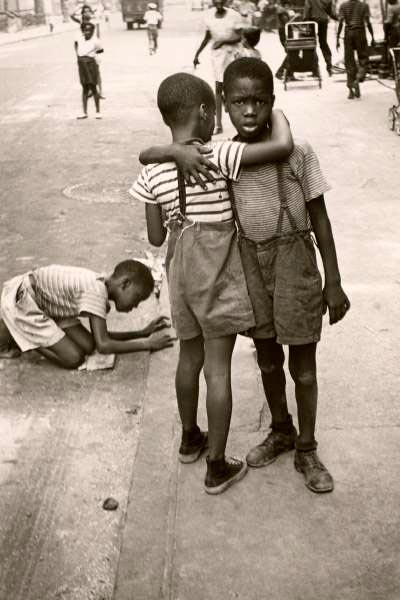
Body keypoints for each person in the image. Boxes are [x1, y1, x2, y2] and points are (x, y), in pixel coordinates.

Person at [164, 58, 350, 494]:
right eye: (240, 102)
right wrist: (173, 150)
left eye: (260, 101)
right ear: (223, 105)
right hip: (249, 267)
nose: (250, 111)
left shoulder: (297, 151)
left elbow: (321, 220)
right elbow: (161, 159)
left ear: (272, 102)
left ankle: (307, 447)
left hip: (296, 263)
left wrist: (334, 280)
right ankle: (281, 428)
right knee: (268, 359)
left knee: (303, 366)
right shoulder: (221, 156)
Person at [130, 72, 294, 495]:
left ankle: (190, 439)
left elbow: (154, 238)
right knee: (217, 369)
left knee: (190, 357)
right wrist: (275, 111)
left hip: (179, 269)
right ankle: (217, 465)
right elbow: (282, 147)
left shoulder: (153, 172)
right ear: (205, 112)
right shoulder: (218, 154)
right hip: (216, 267)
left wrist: (165, 156)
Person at [0, 260, 174, 368]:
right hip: (22, 301)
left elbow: (99, 340)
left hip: (50, 305)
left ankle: (24, 330)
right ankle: (18, 333)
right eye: (137, 298)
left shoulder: (100, 288)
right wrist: (147, 343)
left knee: (88, 345)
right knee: (73, 358)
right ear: (125, 284)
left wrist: (141, 332)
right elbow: (104, 345)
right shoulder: (97, 290)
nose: (135, 306)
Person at [193, 0, 245, 134]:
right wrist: (197, 54)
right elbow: (207, 37)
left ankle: (241, 122)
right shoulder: (209, 16)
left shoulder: (234, 15)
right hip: (218, 56)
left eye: (221, 0)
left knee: (236, 87)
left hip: (234, 53)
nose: (219, 3)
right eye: (216, 1)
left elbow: (240, 37)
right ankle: (219, 124)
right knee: (218, 88)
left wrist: (223, 41)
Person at [336, 0, 375, 99]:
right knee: (363, 60)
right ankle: (356, 81)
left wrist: (337, 38)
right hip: (360, 33)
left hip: (348, 33)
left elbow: (340, 21)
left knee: (349, 62)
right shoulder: (364, 5)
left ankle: (351, 91)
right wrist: (372, 36)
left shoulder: (343, 5)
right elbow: (368, 22)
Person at [71, 5, 105, 98]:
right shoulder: (82, 21)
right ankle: (91, 90)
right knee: (87, 72)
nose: (87, 13)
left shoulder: (94, 21)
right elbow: (72, 15)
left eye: (88, 11)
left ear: (91, 12)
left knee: (97, 70)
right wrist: (79, 7)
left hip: (94, 47)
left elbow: (98, 35)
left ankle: (100, 92)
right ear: (82, 13)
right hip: (85, 48)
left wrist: (99, 49)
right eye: (85, 11)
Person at [75, 22, 103, 119]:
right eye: (85, 30)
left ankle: (98, 111)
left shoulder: (95, 41)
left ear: (93, 31)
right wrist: (78, 58)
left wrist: (93, 56)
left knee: (93, 87)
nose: (87, 32)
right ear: (82, 31)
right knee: (84, 88)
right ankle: (84, 112)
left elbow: (100, 50)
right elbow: (76, 46)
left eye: (90, 31)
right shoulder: (79, 39)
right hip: (82, 64)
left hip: (91, 64)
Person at [303, 0, 337, 76]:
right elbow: (330, 12)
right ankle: (329, 66)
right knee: (323, 43)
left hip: (312, 21)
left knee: (311, 44)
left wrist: (305, 22)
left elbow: (307, 10)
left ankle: (315, 69)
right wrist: (336, 18)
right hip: (323, 20)